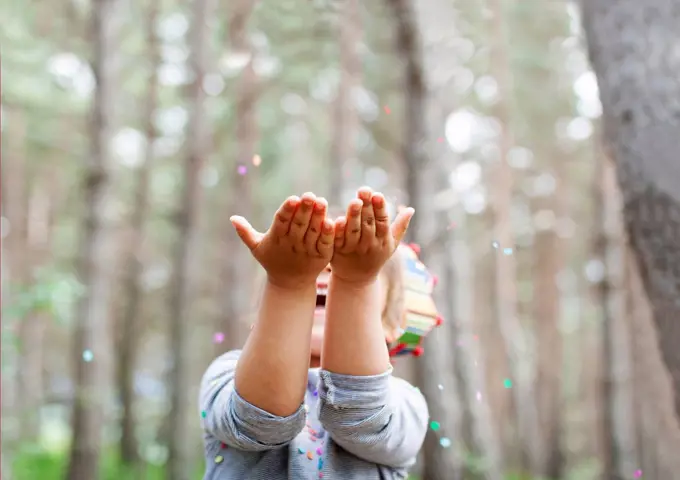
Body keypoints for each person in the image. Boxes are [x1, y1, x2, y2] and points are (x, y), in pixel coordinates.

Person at [199, 187, 439, 479]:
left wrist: (355, 282)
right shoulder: (227, 375)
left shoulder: (406, 403)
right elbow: (259, 421)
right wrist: (288, 286)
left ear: (392, 325)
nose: (326, 268)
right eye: (316, 261)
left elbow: (359, 416)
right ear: (264, 314)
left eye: (339, 261)